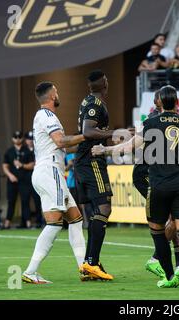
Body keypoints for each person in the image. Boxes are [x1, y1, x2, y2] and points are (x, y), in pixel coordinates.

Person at [93, 85, 179, 289]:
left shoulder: (150, 123)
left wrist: (104, 149)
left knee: (157, 231)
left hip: (159, 184)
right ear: (177, 102)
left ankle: (169, 276)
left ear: (160, 102)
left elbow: (128, 146)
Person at [22, 82, 86, 284]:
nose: (59, 95)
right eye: (57, 92)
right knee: (55, 222)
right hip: (50, 172)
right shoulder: (48, 116)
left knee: (75, 218)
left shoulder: (42, 116)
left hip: (46, 171)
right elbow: (60, 141)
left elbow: (61, 147)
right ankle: (31, 271)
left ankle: (84, 267)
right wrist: (86, 135)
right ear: (51, 96)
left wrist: (88, 143)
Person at [75, 70, 126, 280]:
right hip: (92, 160)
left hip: (86, 160)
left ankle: (90, 263)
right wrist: (113, 133)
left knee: (97, 211)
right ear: (104, 83)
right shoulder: (95, 104)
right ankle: (91, 262)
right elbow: (88, 131)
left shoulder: (89, 100)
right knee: (104, 207)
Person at [2, 131, 35, 229]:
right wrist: (10, 175)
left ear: (22, 139)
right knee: (11, 201)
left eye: (19, 137)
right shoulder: (9, 151)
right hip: (12, 181)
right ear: (12, 139)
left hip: (24, 180)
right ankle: (7, 223)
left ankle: (28, 222)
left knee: (25, 201)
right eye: (15, 137)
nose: (17, 139)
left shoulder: (27, 150)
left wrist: (22, 165)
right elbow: (4, 166)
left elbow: (32, 164)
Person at [25, 131, 43, 228]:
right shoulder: (23, 150)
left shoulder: (38, 149)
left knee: (37, 201)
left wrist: (24, 165)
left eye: (32, 139)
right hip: (26, 180)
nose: (30, 141)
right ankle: (26, 222)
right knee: (25, 201)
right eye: (28, 139)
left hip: (37, 178)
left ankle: (39, 221)